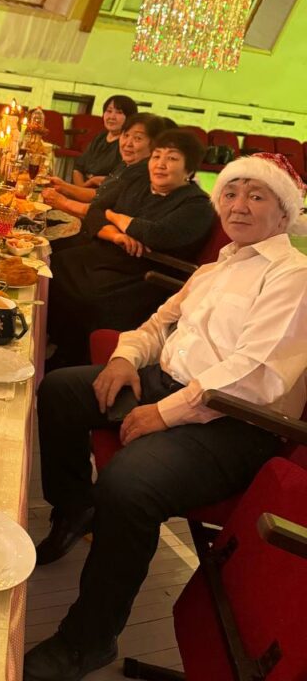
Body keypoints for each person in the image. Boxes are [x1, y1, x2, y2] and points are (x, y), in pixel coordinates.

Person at [25, 152, 307, 681]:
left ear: (284, 212)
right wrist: (126, 357)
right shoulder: (218, 266)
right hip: (172, 383)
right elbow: (159, 322)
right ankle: (74, 508)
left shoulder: (294, 277)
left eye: (256, 195)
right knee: (61, 390)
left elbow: (254, 375)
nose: (239, 205)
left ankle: (88, 640)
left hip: (238, 420)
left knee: (128, 484)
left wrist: (164, 412)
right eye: (231, 193)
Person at [47, 129, 215, 367]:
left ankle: (73, 359)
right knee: (54, 262)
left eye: (172, 158)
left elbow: (154, 234)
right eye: (156, 156)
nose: (161, 164)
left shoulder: (197, 205)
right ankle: (55, 341)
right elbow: (96, 210)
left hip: (144, 274)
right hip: (111, 254)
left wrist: (114, 216)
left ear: (189, 170)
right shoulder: (139, 183)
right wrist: (116, 232)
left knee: (85, 295)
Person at [42, 113, 167, 221]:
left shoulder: (144, 174)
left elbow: (102, 212)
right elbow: (100, 195)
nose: (128, 143)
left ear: (154, 144)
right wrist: (63, 186)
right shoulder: (127, 164)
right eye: (126, 135)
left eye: (137, 138)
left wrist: (63, 202)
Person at [72, 94, 139, 188]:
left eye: (119, 112)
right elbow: (78, 168)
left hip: (104, 192)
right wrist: (80, 188)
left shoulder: (127, 145)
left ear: (130, 117)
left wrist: (88, 184)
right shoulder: (100, 137)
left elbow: (118, 179)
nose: (112, 117)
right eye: (109, 111)